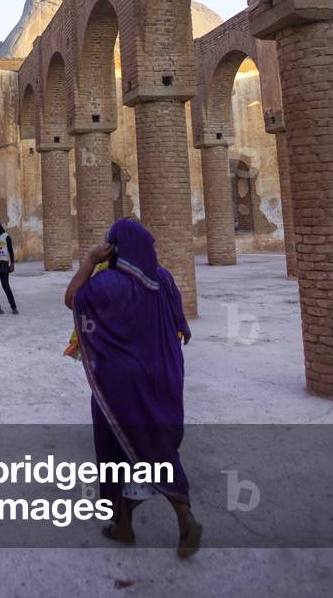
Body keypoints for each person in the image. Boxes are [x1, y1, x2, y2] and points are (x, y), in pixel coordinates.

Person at [64, 218, 201, 557]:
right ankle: (143, 522)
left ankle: (157, 520)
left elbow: (72, 299)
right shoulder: (165, 279)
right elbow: (179, 323)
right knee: (153, 444)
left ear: (114, 247)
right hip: (165, 376)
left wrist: (89, 261)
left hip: (121, 384)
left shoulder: (107, 283)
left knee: (123, 449)